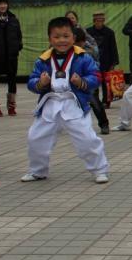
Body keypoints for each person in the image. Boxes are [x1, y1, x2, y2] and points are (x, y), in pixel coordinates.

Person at [22, 17, 110, 184]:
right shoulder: (43, 59)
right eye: (56, 37)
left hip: (73, 102)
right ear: (50, 39)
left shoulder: (83, 57)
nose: (61, 40)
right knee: (36, 137)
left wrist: (82, 82)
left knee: (87, 138)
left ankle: (100, 170)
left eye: (65, 36)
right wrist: (41, 83)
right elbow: (31, 82)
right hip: (50, 102)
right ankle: (37, 170)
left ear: (73, 37)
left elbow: (96, 76)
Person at [72, 27, 110, 135]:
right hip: (74, 82)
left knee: (95, 103)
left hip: (89, 81)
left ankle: (104, 124)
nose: (77, 46)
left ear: (84, 42)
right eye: (75, 44)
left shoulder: (90, 51)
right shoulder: (68, 51)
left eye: (80, 44)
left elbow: (95, 67)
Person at [87, 12, 119, 109]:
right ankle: (94, 101)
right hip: (92, 61)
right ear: (94, 21)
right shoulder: (88, 32)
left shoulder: (109, 32)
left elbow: (113, 47)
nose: (100, 23)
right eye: (98, 21)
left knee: (106, 83)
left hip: (106, 61)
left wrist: (114, 62)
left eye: (102, 21)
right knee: (94, 81)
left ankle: (106, 101)